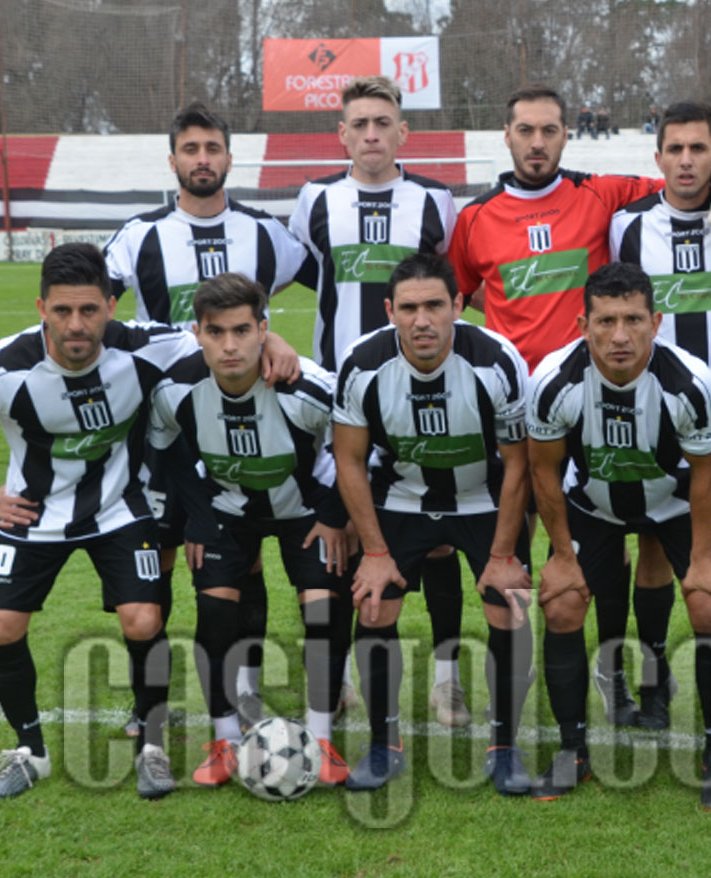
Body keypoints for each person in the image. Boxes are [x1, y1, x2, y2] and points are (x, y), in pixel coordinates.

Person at [449, 85, 711, 726]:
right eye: (525, 130)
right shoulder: (475, 218)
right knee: (516, 552)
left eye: (549, 130)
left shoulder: (602, 198)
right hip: (526, 412)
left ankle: (631, 668)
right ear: (506, 137)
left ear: (567, 135)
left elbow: (682, 178)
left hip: (628, 401)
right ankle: (512, 689)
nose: (537, 142)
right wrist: (512, 327)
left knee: (649, 541)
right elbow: (459, 295)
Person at [0, 243, 198, 800]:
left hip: (119, 508)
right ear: (41, 307)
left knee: (143, 619)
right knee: (0, 628)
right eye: (62, 310)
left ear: (110, 306)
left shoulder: (146, 345)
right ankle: (30, 752)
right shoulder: (5, 366)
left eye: (89, 310)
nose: (76, 325)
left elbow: (218, 333)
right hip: (31, 511)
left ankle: (152, 745)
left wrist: (276, 341)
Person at [105, 101, 308, 734]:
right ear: (173, 160)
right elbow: (96, 310)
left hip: (243, 410)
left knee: (244, 554)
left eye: (212, 148)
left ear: (229, 157)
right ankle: (150, 704)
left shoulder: (266, 233)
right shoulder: (139, 235)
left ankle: (244, 692)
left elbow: (312, 289)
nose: (201, 159)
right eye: (190, 149)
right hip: (166, 424)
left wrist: (272, 337)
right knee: (162, 556)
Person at [289, 75, 469, 727]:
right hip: (338, 402)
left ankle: (447, 680)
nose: (371, 134)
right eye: (359, 124)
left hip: (419, 396)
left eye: (382, 122)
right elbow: (297, 275)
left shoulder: (435, 201)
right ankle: (337, 680)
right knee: (340, 532)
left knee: (440, 539)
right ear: (342, 135)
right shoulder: (313, 199)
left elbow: (449, 284)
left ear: (402, 132)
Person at [526, 262, 711, 809]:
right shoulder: (552, 382)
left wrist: (703, 557)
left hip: (674, 503)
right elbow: (544, 472)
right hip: (593, 503)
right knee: (561, 605)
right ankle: (573, 751)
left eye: (633, 320)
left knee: (710, 605)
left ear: (656, 322)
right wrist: (562, 556)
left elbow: (707, 473)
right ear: (583, 326)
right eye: (606, 321)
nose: (620, 336)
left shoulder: (691, 384)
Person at [331, 254, 535, 795]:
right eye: (409, 308)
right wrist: (375, 553)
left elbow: (519, 464)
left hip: (482, 495)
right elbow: (349, 459)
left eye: (435, 306)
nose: (422, 320)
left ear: (458, 306)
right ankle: (383, 745)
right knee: (374, 605)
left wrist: (502, 556)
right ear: (389, 311)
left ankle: (505, 748)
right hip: (402, 495)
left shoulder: (496, 360)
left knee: (510, 606)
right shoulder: (362, 362)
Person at [147, 272, 352, 788]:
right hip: (226, 507)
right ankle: (223, 740)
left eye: (242, 330)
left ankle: (322, 739)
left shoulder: (308, 388)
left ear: (264, 329)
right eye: (216, 332)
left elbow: (354, 448)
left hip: (305, 507)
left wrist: (333, 515)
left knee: (324, 610)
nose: (230, 345)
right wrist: (197, 513)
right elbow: (165, 448)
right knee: (215, 613)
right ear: (197, 332)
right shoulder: (175, 389)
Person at [608, 102, 711, 736]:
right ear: (658, 158)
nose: (686, 160)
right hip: (657, 416)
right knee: (653, 542)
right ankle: (654, 675)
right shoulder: (628, 226)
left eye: (698, 148)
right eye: (674, 149)